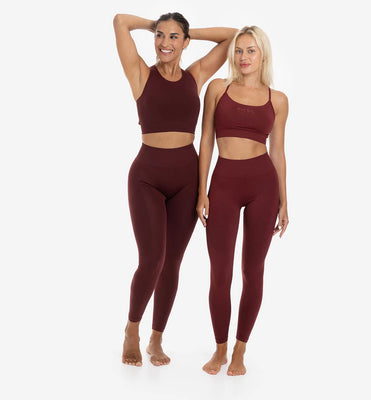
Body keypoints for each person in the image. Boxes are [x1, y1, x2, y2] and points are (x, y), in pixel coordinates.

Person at [113, 12, 236, 367]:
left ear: (184, 42)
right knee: (152, 259)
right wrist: (155, 24)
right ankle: (132, 330)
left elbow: (232, 37)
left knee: (172, 263)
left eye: (173, 37)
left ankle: (156, 339)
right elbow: (120, 21)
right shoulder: (140, 74)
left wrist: (188, 31)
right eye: (160, 36)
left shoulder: (195, 75)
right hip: (146, 178)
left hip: (186, 181)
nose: (164, 43)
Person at [196, 26, 289, 376]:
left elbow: (277, 151)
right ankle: (220, 348)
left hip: (263, 185)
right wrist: (202, 190)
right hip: (224, 184)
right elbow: (206, 140)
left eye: (251, 50)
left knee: (253, 271)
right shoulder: (217, 89)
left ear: (263, 55)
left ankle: (240, 349)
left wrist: (284, 200)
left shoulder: (278, 99)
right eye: (238, 50)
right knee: (220, 272)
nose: (243, 57)